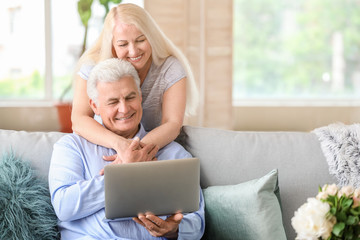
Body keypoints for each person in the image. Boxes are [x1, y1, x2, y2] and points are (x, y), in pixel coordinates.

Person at [49, 58, 205, 240]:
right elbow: (64, 207)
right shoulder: (72, 147)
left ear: (140, 97)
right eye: (113, 102)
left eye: (130, 97)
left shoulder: (174, 153)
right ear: (95, 106)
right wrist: (123, 173)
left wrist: (175, 230)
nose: (124, 109)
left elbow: (198, 222)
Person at [71, 3, 198, 165]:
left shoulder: (170, 69)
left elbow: (172, 124)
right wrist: (121, 146)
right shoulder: (92, 66)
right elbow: (79, 119)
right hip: (105, 148)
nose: (133, 51)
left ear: (150, 37)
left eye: (140, 40)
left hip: (154, 150)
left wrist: (134, 154)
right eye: (123, 44)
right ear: (112, 45)